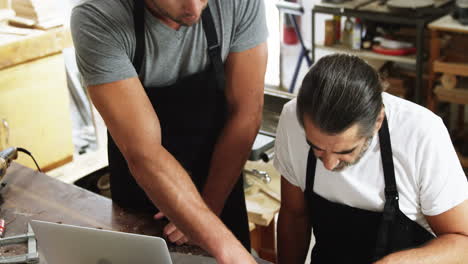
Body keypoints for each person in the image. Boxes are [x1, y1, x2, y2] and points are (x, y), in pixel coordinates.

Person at [70, 0, 268, 263]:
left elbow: (246, 112)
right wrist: (228, 253)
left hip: (220, 178)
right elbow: (144, 153)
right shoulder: (98, 16)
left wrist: (209, 208)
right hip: (143, 191)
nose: (195, 9)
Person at [275, 54, 468, 264]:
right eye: (316, 148)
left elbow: (462, 243)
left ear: (378, 121)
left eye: (345, 152)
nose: (329, 165)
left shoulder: (421, 134)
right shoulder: (292, 118)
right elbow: (294, 215)